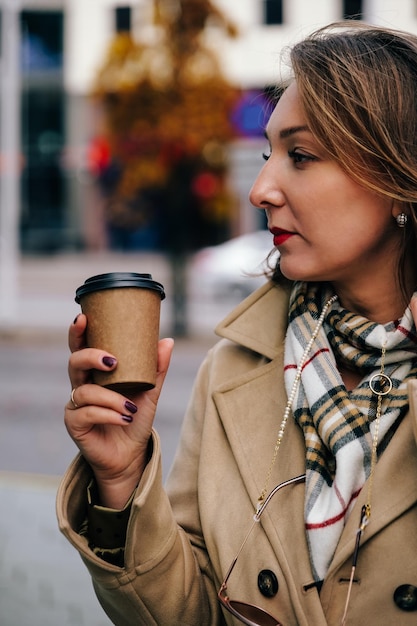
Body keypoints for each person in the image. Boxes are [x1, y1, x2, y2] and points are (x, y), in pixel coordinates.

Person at [57, 21, 417, 626]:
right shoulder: (233, 369)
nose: (259, 190)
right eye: (267, 154)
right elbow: (189, 611)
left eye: (300, 156)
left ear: (398, 175)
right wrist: (120, 482)